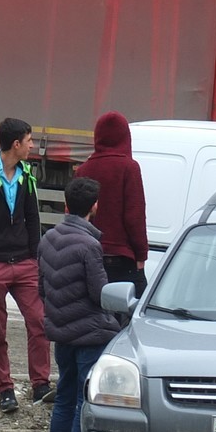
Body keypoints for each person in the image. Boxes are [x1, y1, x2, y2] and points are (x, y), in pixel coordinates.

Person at [0, 117, 53, 413]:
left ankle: (40, 384)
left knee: (39, 322)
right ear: (16, 144)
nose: (32, 146)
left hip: (26, 264)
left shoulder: (27, 176)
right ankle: (5, 390)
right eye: (29, 141)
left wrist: (35, 258)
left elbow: (34, 221)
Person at [38, 177, 121, 432]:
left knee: (63, 398)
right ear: (94, 206)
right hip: (89, 335)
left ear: (66, 204)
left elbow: (42, 288)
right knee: (83, 401)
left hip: (61, 335)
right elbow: (100, 294)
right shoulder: (90, 245)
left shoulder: (48, 238)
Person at [74, 111, 149, 296]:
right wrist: (141, 255)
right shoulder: (129, 168)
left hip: (89, 255)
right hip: (122, 259)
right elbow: (134, 216)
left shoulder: (83, 169)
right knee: (127, 315)